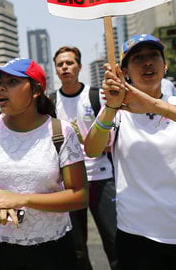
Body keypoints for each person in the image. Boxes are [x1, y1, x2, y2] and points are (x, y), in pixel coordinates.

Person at [84, 34, 176, 269]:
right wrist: (110, 107)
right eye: (138, 58)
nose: (147, 62)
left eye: (153, 56)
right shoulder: (116, 111)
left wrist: (155, 105)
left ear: (165, 64)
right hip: (136, 235)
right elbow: (92, 149)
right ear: (125, 71)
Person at [0, 58, 88, 270]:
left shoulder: (60, 132)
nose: (1, 88)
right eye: (0, 82)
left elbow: (79, 196)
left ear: (36, 90)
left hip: (50, 248)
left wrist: (21, 199)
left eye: (12, 81)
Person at [52, 46, 118, 270]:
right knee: (76, 247)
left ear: (79, 66)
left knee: (114, 239)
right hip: (69, 183)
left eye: (69, 63)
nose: (65, 68)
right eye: (60, 64)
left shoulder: (96, 95)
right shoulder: (50, 102)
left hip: (101, 176)